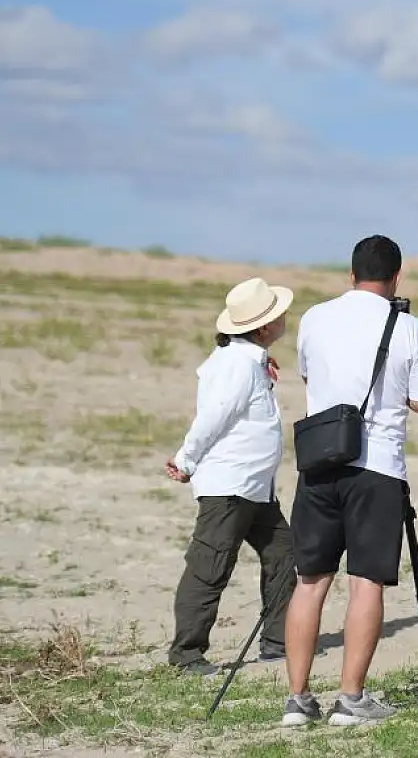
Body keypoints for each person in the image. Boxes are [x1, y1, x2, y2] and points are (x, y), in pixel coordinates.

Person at [281, 235, 418, 727]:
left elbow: (310, 380)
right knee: (366, 583)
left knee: (309, 582)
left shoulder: (314, 318)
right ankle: (350, 699)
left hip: (319, 462)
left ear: (350, 275)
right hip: (377, 469)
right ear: (397, 277)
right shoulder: (410, 327)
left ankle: (297, 699)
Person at [164, 277, 297, 676]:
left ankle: (277, 640)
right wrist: (186, 459)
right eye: (277, 314)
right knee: (211, 565)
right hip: (231, 486)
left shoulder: (247, 360)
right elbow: (213, 417)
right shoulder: (238, 365)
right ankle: (186, 653)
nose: (284, 319)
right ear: (262, 327)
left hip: (255, 488)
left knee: (284, 554)